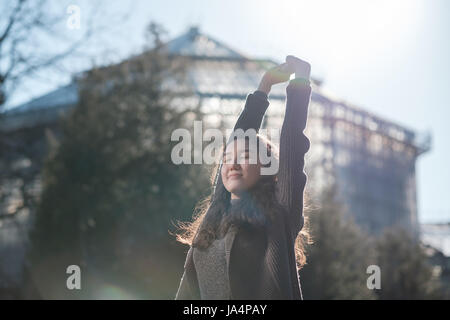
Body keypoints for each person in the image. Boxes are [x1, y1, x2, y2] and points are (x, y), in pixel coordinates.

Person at [174, 55, 312, 300]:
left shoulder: (279, 215)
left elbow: (292, 150)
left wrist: (299, 82)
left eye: (246, 156)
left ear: (268, 168)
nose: (233, 163)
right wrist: (264, 86)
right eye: (227, 158)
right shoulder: (210, 226)